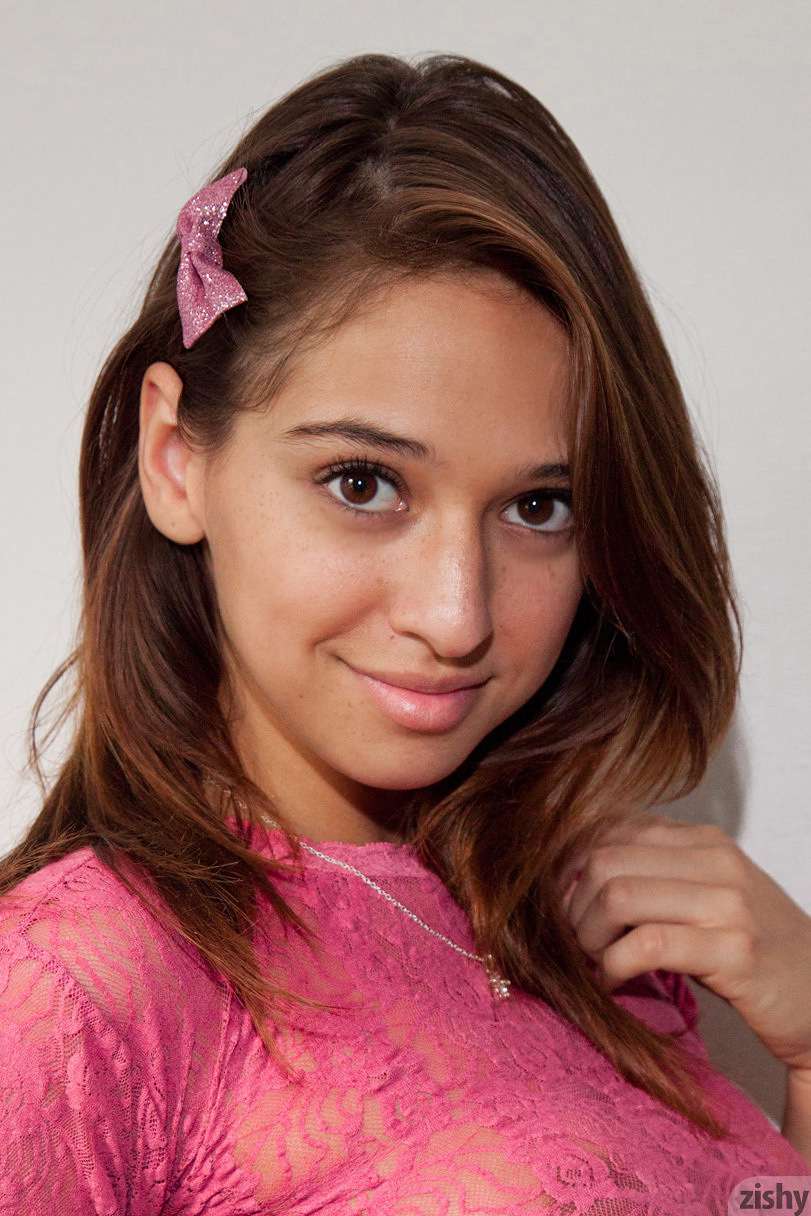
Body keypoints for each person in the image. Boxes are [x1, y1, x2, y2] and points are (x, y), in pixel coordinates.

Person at [1, 51, 809, 1214]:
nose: (454, 614)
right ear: (177, 458)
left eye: (540, 506)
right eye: (364, 483)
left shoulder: (581, 920)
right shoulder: (70, 991)